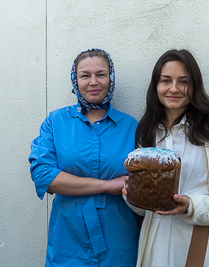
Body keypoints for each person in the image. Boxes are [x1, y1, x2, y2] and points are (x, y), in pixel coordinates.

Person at [123, 49, 209, 267]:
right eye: (166, 80)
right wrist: (132, 196)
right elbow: (143, 208)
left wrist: (190, 206)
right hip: (158, 247)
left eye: (183, 81)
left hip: (207, 247)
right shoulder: (147, 132)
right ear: (155, 85)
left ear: (195, 86)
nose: (174, 89)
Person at [29, 48, 139, 267]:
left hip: (118, 235)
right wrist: (108, 186)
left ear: (111, 78)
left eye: (101, 74)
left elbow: (144, 180)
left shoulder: (132, 127)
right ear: (75, 80)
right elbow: (43, 175)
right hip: (68, 236)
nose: (93, 82)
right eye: (85, 75)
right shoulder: (55, 122)